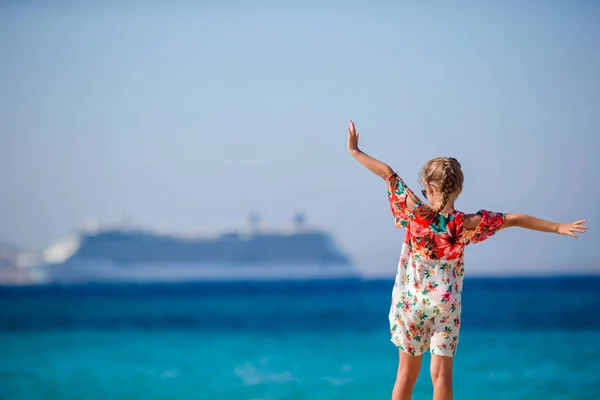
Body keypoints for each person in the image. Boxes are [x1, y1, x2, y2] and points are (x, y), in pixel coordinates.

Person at [346, 120, 588, 400]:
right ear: (458, 189)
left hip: (411, 303)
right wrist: (558, 227)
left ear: (427, 186)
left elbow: (387, 173)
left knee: (405, 375)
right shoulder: (467, 224)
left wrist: (355, 150)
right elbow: (515, 219)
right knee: (441, 377)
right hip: (445, 304)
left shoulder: (414, 212)